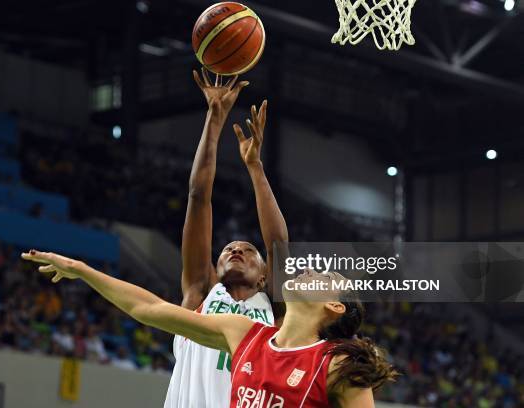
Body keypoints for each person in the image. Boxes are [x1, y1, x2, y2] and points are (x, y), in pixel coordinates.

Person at [22, 251, 397, 407]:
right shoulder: (245, 334)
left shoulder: (338, 364)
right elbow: (150, 308)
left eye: (324, 277)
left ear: (334, 306)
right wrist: (83, 270)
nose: (310, 272)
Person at [168, 68, 288, 407]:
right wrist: (214, 120)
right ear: (214, 266)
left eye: (249, 250)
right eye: (228, 249)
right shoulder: (199, 294)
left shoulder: (274, 311)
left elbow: (278, 243)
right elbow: (197, 196)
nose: (236, 249)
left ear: (266, 275)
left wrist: (255, 167)